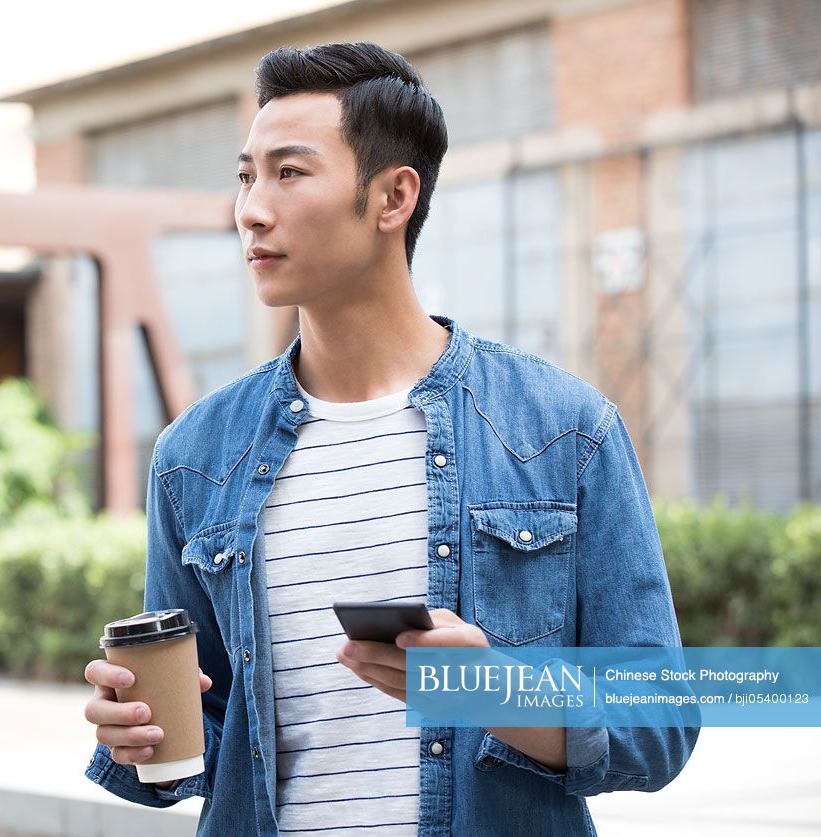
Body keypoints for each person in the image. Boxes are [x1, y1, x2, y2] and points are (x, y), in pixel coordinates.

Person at [82, 41, 698, 836]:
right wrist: (135, 735)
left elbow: (659, 720)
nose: (251, 209)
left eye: (289, 172)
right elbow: (209, 736)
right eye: (245, 176)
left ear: (392, 196)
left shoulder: (562, 430)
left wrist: (496, 693)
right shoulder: (195, 456)